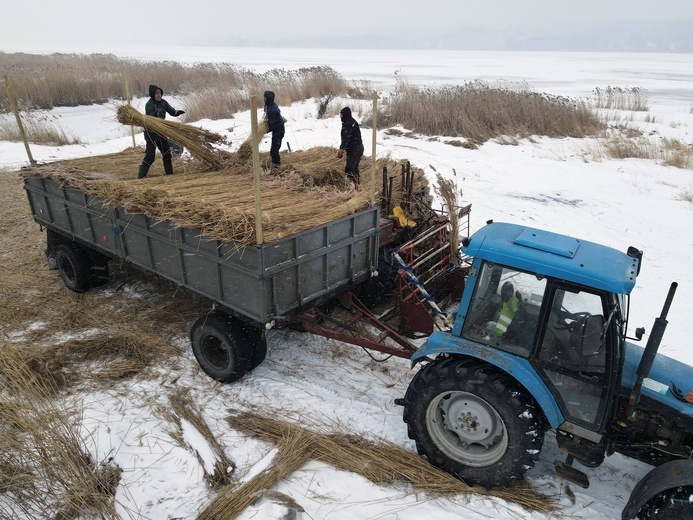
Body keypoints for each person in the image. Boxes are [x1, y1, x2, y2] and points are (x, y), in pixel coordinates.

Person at [137, 85, 185, 179]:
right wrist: (158, 126)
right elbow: (152, 120)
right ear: (152, 94)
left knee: (166, 153)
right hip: (151, 133)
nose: (159, 95)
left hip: (161, 132)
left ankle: (169, 174)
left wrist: (178, 112)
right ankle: (141, 176)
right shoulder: (149, 104)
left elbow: (171, 111)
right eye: (156, 93)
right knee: (150, 156)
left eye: (159, 93)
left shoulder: (163, 103)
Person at [337, 107, 364, 187]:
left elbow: (346, 138)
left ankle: (354, 188)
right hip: (358, 148)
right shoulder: (352, 122)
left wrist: (341, 150)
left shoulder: (348, 124)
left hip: (354, 149)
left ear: (345, 115)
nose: (341, 117)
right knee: (354, 168)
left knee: (350, 170)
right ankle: (356, 186)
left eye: (342, 115)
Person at [263, 90, 285, 166]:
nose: (264, 99)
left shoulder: (271, 109)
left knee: (274, 150)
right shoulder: (271, 105)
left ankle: (276, 165)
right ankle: (275, 163)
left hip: (279, 130)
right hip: (278, 129)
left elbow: (273, 124)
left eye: (265, 98)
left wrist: (264, 131)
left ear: (268, 98)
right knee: (274, 148)